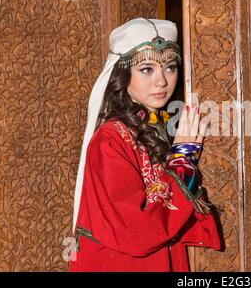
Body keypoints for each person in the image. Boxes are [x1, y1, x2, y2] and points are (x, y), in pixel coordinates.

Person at [69, 18, 221, 272]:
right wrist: (183, 160)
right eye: (147, 69)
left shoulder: (162, 126)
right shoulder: (110, 140)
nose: (162, 81)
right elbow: (136, 230)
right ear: (123, 73)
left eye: (170, 67)